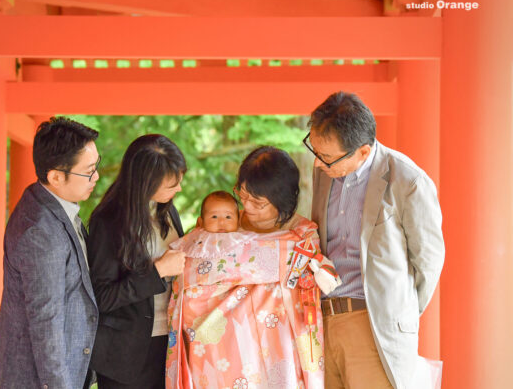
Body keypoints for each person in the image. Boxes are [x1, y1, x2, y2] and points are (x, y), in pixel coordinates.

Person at [307, 92, 445, 389]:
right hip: (322, 323)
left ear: (364, 151)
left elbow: (428, 262)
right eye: (315, 152)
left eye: (327, 157)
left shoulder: (407, 181)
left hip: (373, 325)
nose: (318, 164)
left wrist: (396, 310)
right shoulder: (324, 173)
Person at [166, 146, 325, 389]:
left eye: (257, 202)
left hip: (277, 349)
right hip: (225, 351)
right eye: (243, 195)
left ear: (283, 200)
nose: (246, 207)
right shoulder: (222, 223)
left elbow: (301, 272)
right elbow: (191, 267)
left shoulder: (302, 236)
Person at [0, 117, 100, 389]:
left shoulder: (50, 203)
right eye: (88, 171)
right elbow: (45, 320)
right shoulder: (40, 231)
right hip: (38, 379)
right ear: (55, 176)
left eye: (96, 166)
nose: (96, 177)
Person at [87, 134, 188, 389]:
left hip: (170, 343)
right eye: (171, 185)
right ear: (145, 183)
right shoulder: (108, 222)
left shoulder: (167, 211)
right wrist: (158, 272)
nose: (179, 189)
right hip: (127, 356)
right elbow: (101, 297)